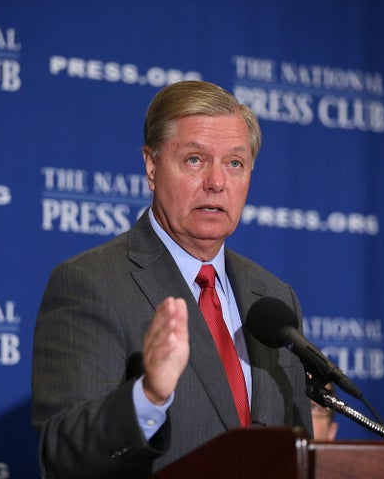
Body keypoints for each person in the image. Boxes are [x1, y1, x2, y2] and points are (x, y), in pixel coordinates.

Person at [31, 80, 313, 478]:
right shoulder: (91, 283)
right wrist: (149, 396)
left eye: (235, 163)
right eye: (195, 159)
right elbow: (63, 455)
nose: (217, 182)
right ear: (151, 166)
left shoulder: (272, 297)